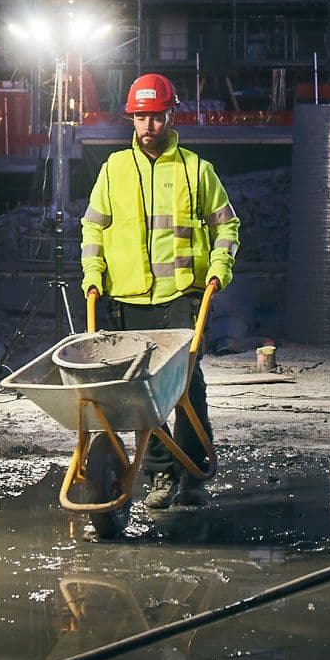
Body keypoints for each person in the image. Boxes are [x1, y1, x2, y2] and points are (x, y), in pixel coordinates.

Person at [81, 73, 240, 509]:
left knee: (185, 390)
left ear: (170, 116)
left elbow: (226, 225)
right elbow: (93, 227)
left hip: (180, 299)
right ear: (132, 119)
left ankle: (193, 472)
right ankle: (160, 476)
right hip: (126, 300)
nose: (148, 126)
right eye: (140, 117)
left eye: (155, 116)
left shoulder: (196, 171)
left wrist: (219, 269)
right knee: (138, 395)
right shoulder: (114, 170)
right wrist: (92, 275)